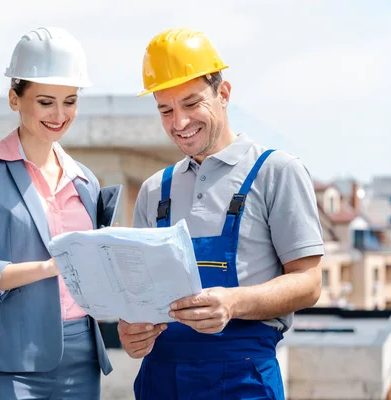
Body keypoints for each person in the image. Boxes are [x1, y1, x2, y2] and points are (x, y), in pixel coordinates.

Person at [118, 27, 324, 399]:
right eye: (166, 109)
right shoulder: (153, 191)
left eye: (191, 103)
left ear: (223, 93)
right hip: (160, 381)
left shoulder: (276, 172)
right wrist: (132, 331)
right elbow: (140, 297)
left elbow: (309, 283)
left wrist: (234, 302)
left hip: (243, 380)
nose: (179, 122)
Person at [0, 27, 115, 400]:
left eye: (70, 101)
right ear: (14, 98)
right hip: (8, 360)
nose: (59, 114)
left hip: (81, 361)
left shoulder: (85, 180)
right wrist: (49, 267)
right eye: (45, 102)